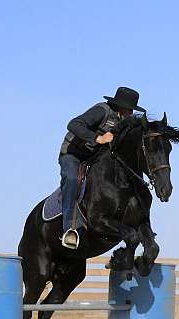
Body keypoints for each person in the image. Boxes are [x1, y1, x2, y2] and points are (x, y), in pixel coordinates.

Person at [59, 86, 146, 249]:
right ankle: (69, 230)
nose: (131, 113)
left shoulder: (124, 121)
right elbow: (73, 124)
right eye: (129, 110)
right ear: (120, 106)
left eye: (132, 110)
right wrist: (97, 138)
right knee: (71, 179)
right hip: (73, 155)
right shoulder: (101, 110)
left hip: (95, 157)